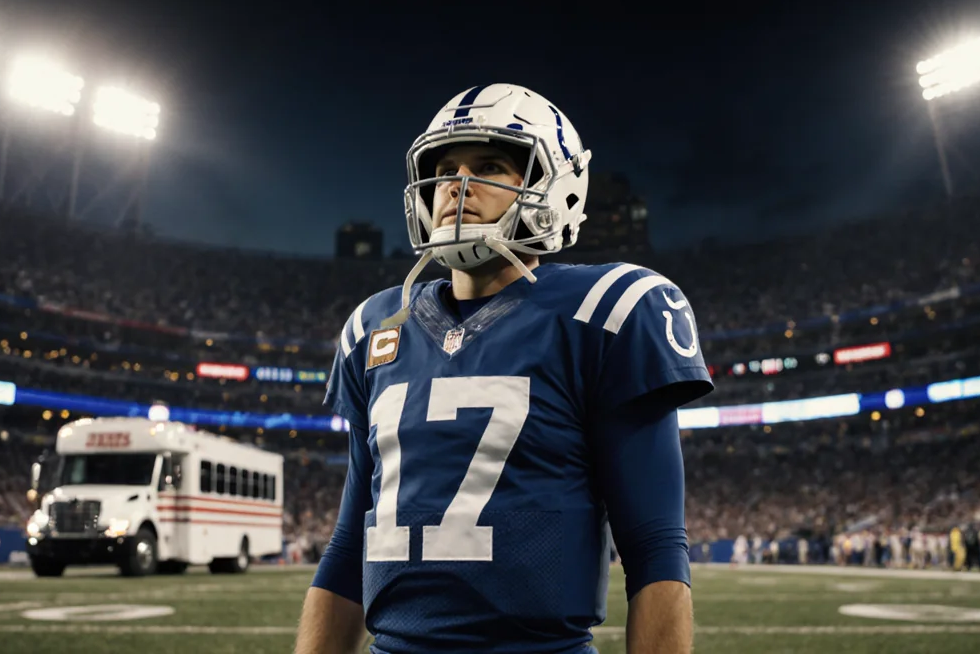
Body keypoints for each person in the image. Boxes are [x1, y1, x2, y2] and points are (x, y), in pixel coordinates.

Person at [295, 84, 713, 654]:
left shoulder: (606, 311)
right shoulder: (375, 326)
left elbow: (656, 546)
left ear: (551, 185)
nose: (455, 186)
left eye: (489, 166)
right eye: (443, 170)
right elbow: (348, 548)